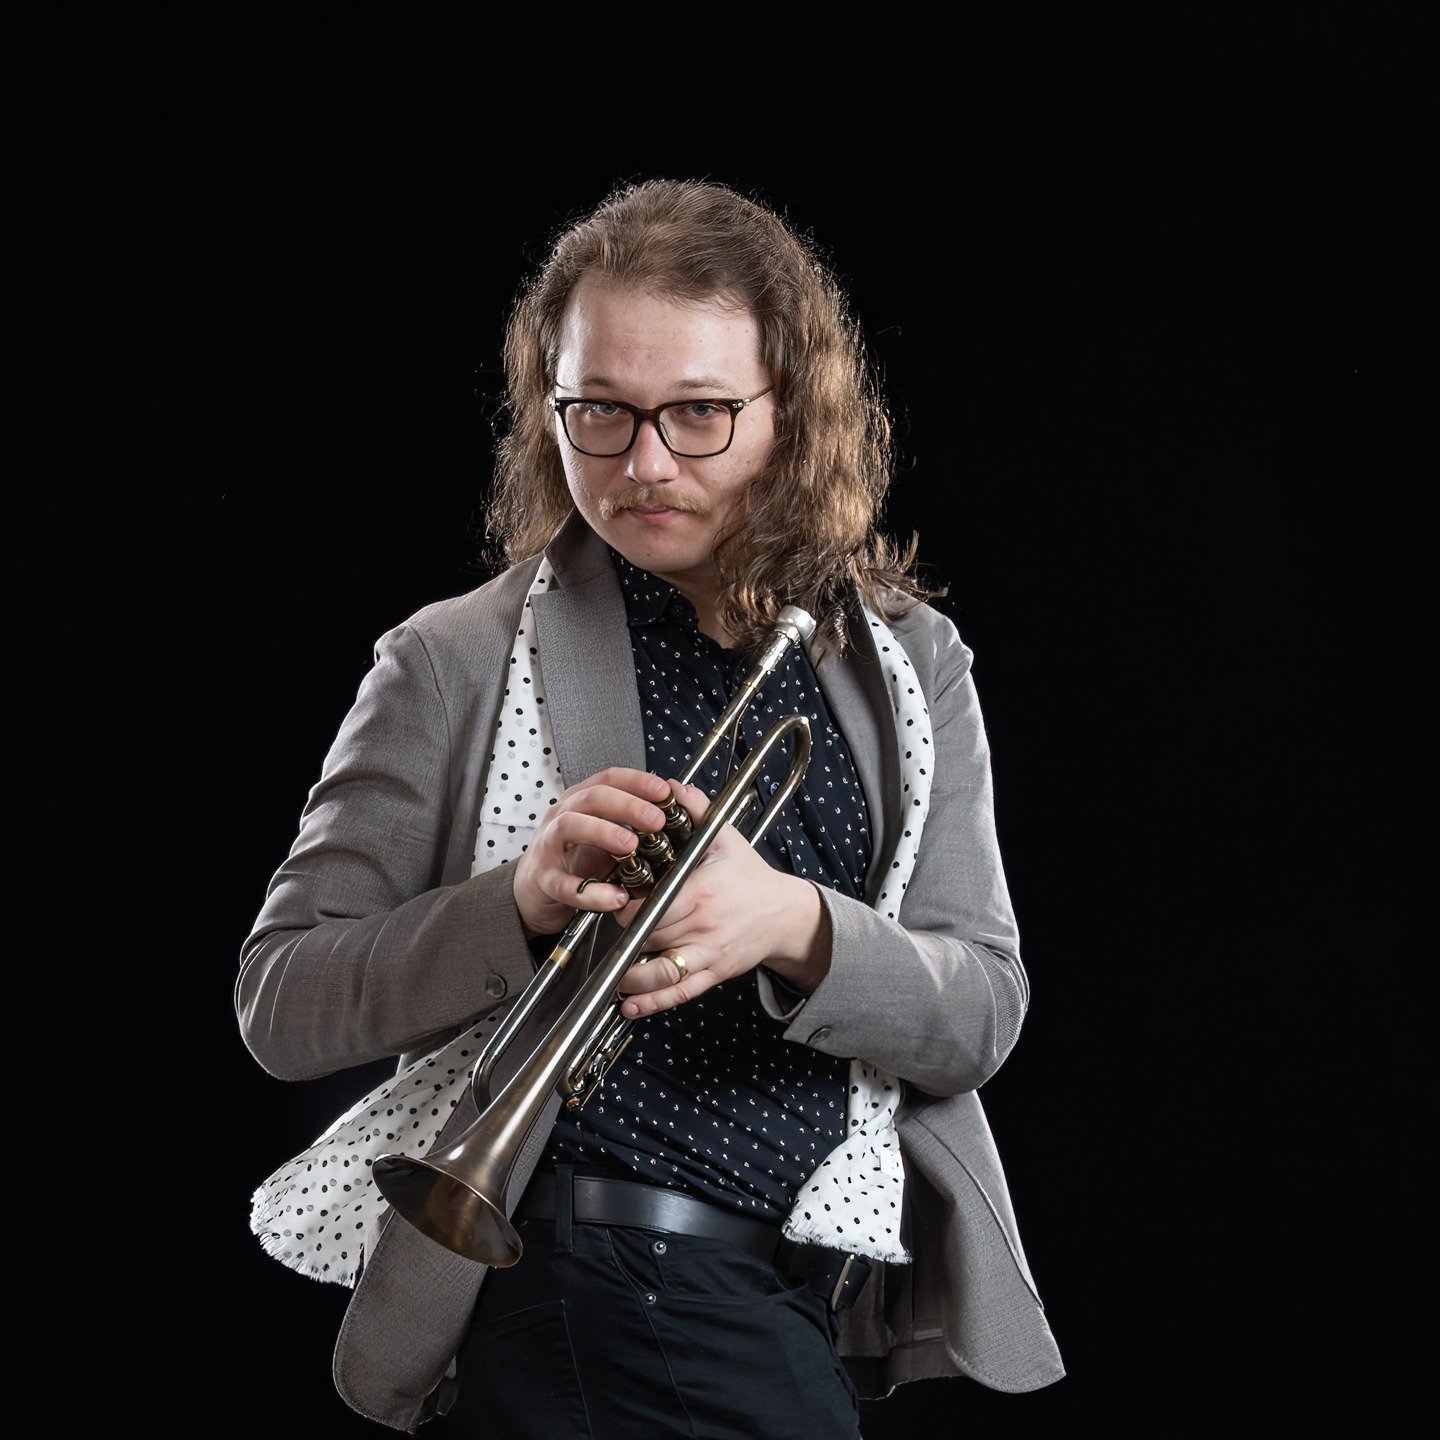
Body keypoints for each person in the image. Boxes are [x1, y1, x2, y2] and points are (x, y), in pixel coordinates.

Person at [236, 177, 1065, 1437]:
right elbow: (283, 1004)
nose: (644, 464)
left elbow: (983, 1014)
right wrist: (513, 906)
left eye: (698, 413)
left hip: (800, 1296)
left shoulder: (910, 662)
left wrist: (793, 925)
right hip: (593, 1268)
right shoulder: (453, 657)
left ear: (792, 409)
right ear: (548, 405)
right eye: (600, 415)